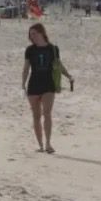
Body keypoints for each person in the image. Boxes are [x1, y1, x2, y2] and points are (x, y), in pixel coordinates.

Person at [22, 23, 74, 154]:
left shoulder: (53, 49)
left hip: (48, 85)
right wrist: (23, 83)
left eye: (34, 33)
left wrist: (68, 75)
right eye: (30, 34)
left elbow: (59, 65)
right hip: (33, 84)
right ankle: (40, 145)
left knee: (47, 114)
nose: (32, 36)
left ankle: (48, 144)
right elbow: (26, 68)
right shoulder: (30, 50)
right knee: (36, 116)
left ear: (42, 33)